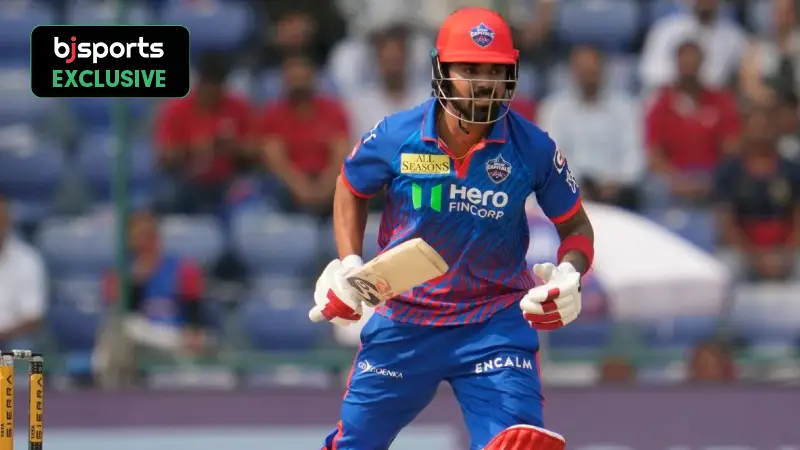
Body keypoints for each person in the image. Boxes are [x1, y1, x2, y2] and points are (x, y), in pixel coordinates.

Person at [310, 7, 594, 450]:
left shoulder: (533, 147)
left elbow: (575, 224)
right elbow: (350, 186)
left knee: (515, 443)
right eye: (469, 69)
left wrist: (570, 272)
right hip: (405, 317)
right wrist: (349, 262)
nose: (483, 82)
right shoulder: (397, 135)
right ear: (441, 70)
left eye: (495, 71)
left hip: (493, 323)